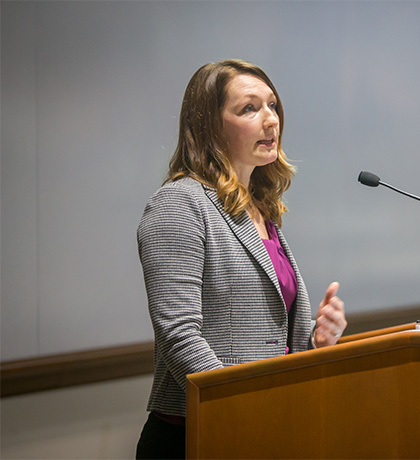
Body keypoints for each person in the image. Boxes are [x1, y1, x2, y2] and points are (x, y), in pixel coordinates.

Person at [135, 59, 347, 459]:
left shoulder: (259, 210)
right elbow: (179, 335)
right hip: (198, 434)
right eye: (249, 108)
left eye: (273, 106)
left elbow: (266, 340)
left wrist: (316, 342)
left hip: (263, 424)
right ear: (209, 126)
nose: (270, 121)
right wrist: (242, 408)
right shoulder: (179, 204)